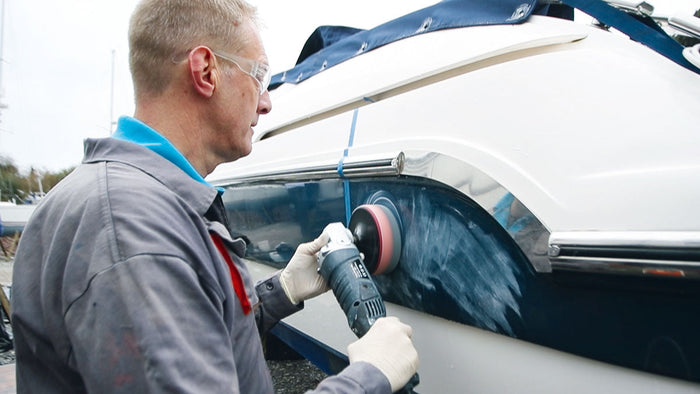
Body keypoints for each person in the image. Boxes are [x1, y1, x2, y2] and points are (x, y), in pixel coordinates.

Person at [10, 0, 418, 393]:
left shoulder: (139, 206)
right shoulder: (133, 233)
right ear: (206, 71)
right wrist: (369, 375)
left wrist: (283, 291)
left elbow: (200, 343)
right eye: (259, 75)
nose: (267, 102)